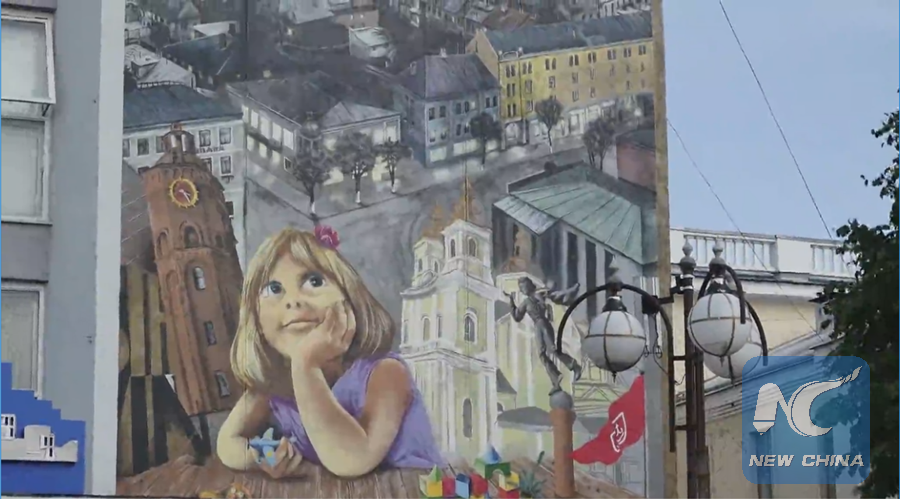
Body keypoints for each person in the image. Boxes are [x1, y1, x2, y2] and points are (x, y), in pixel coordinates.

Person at [217, 226, 444, 479]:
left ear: (349, 299)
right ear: (257, 321)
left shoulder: (386, 373)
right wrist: (260, 457)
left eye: (314, 281)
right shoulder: (274, 384)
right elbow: (227, 443)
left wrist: (306, 365)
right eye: (273, 289)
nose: (293, 301)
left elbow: (353, 460)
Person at [506, 276, 583, 393]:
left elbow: (557, 296)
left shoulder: (540, 294)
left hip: (544, 324)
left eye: (523, 286)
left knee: (553, 349)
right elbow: (517, 316)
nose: (522, 290)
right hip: (538, 326)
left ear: (529, 285)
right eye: (520, 288)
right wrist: (511, 301)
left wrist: (571, 291)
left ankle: (574, 366)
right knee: (542, 354)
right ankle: (555, 379)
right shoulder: (526, 303)